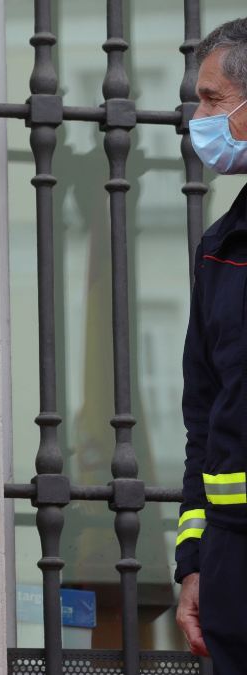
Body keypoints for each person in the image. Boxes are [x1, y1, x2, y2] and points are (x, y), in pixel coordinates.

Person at [176, 17, 247, 675]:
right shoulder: (219, 248)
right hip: (232, 567)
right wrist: (193, 562)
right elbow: (203, 415)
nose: (197, 117)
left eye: (210, 99)